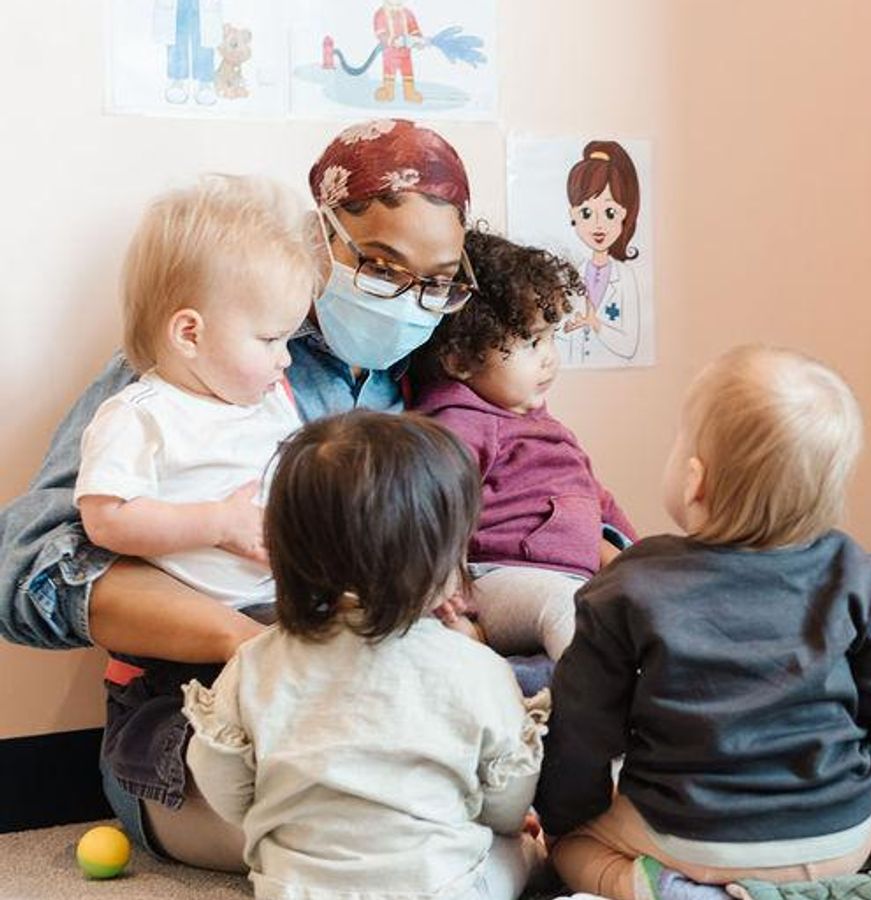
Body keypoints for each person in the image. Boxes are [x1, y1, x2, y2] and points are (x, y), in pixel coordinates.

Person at [0, 117, 475, 870]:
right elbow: (25, 576)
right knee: (344, 825)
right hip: (195, 699)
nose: (409, 300)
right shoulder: (190, 377)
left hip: (346, 675)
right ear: (325, 242)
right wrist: (249, 640)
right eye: (382, 267)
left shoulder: (433, 372)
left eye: (438, 280)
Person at [536, 346, 871, 900]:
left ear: (695, 480)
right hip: (841, 835)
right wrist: (858, 747)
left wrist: (565, 811)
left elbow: (582, 724)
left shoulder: (627, 584)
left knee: (574, 846)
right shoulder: (856, 573)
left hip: (694, 841)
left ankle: (659, 887)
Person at [183, 411, 548, 899]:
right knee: (524, 845)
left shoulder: (254, 662)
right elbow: (507, 802)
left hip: (296, 889)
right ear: (434, 559)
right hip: (444, 887)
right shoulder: (476, 668)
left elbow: (219, 778)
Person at [76, 174, 316, 611]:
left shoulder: (271, 403)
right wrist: (218, 524)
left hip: (290, 601)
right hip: (202, 630)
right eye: (270, 340)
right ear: (190, 334)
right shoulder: (142, 416)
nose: (286, 359)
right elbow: (106, 521)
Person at [412, 231, 637, 660]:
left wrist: (643, 558)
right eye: (533, 342)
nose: (550, 357)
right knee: (567, 610)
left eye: (552, 337)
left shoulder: (544, 426)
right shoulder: (457, 424)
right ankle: (585, 707)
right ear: (460, 359)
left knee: (646, 599)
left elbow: (599, 500)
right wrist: (440, 579)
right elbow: (425, 502)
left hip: (569, 575)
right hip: (499, 579)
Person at [561, 140, 646, 364]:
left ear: (624, 215)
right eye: (587, 213)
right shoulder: (571, 275)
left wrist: (595, 323)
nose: (598, 225)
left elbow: (629, 346)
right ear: (573, 214)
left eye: (609, 212)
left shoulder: (626, 277)